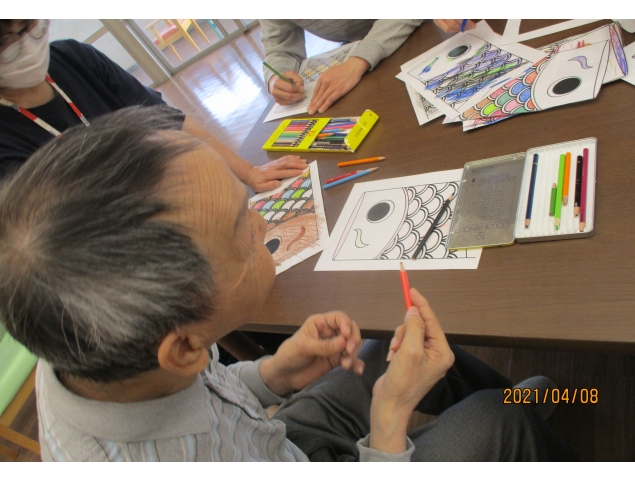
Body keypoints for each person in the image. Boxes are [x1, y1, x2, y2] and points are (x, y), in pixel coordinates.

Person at [0, 106, 577, 461]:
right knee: (494, 422)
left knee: (386, 348)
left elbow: (205, 391)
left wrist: (272, 373)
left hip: (279, 444)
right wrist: (389, 423)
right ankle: (516, 423)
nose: (263, 222)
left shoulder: (98, 347)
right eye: (242, 229)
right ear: (184, 348)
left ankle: (521, 402)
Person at [0, 19, 305, 191]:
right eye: (7, 42)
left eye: (31, 26)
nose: (26, 43)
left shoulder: (74, 57)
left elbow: (169, 120)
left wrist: (248, 172)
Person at [261, 19, 477, 115]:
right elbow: (279, 48)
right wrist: (274, 78)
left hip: (417, 35)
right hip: (367, 62)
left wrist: (358, 60)